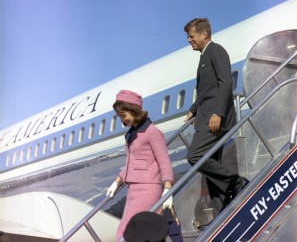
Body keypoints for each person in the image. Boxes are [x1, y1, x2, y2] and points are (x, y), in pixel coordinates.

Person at [183, 18, 249, 229]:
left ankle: (237, 182)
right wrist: (193, 110)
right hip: (205, 118)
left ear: (203, 34)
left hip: (215, 120)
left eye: (191, 36)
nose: (189, 40)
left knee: (195, 156)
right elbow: (206, 91)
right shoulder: (203, 57)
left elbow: (225, 82)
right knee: (211, 171)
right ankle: (221, 218)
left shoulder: (216, 50)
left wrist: (218, 113)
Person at [106, 90, 174, 241]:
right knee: (136, 234)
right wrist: (116, 182)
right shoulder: (132, 134)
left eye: (123, 115)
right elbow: (132, 164)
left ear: (134, 110)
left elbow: (164, 160)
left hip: (148, 189)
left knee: (125, 233)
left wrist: (168, 188)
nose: (122, 120)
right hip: (133, 190)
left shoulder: (152, 132)